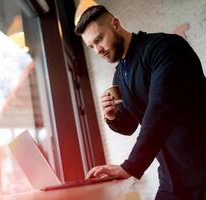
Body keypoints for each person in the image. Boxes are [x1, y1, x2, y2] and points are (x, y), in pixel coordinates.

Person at [74, 4, 206, 200]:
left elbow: (160, 109)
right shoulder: (120, 75)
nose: (98, 50)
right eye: (91, 46)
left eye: (99, 39)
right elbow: (129, 125)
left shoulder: (165, 47)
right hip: (172, 181)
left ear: (115, 24)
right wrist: (112, 117)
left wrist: (130, 166)